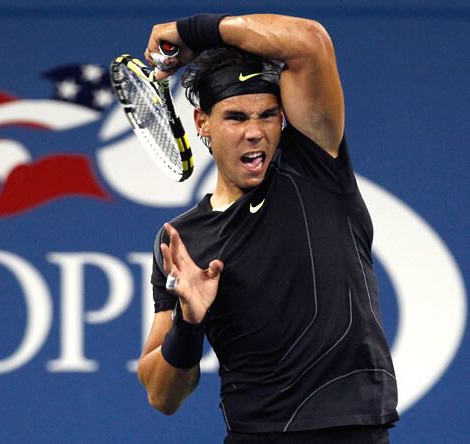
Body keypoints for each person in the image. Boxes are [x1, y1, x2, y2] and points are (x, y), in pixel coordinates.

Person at [137, 13, 399, 443]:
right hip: (254, 434)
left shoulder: (314, 166)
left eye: (268, 115)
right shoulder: (182, 242)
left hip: (352, 430)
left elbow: (309, 40)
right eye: (236, 117)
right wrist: (189, 321)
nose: (255, 132)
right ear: (202, 122)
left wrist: (191, 32)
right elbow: (162, 395)